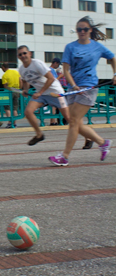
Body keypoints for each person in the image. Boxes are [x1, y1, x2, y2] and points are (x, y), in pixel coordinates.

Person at [49, 16, 116, 166]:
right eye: (79, 29)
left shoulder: (96, 47)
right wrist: (73, 86)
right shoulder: (71, 47)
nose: (82, 32)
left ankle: (64, 156)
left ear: (90, 30)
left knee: (73, 121)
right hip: (73, 88)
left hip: (89, 87)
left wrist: (115, 74)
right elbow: (65, 70)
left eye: (85, 29)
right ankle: (102, 142)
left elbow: (112, 58)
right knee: (75, 122)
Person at [18, 46, 69, 146]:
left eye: (24, 53)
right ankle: (39, 134)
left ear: (29, 54)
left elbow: (51, 78)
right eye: (20, 54)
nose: (23, 56)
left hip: (55, 92)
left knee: (69, 118)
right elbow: (25, 81)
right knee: (28, 112)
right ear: (18, 57)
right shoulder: (21, 69)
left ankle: (88, 137)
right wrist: (25, 90)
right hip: (41, 94)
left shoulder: (37, 63)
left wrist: (40, 92)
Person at [1, 63, 21, 128]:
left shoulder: (5, 75)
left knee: (7, 107)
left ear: (3, 67)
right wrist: (19, 90)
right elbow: (21, 81)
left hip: (9, 91)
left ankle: (10, 122)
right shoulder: (16, 72)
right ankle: (14, 123)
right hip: (17, 90)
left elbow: (5, 86)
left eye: (2, 68)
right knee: (15, 108)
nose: (1, 69)